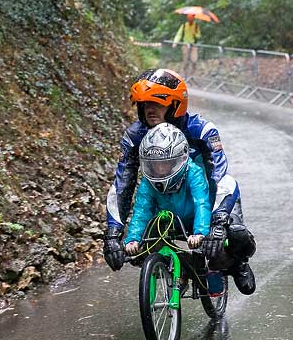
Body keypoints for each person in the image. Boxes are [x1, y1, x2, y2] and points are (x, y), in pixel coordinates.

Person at [103, 68, 257, 295]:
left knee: (234, 234)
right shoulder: (135, 136)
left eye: (156, 103)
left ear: (176, 105)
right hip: (164, 204)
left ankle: (238, 263)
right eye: (144, 104)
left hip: (207, 200)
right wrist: (112, 235)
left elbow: (220, 175)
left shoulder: (202, 130)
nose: (149, 109)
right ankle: (179, 268)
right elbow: (123, 183)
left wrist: (217, 222)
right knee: (136, 249)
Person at [123, 122, 210, 263]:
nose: (160, 169)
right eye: (155, 164)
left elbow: (201, 203)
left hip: (195, 220)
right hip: (167, 223)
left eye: (165, 163)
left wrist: (200, 232)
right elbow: (141, 210)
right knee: (145, 250)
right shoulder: (148, 181)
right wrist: (133, 239)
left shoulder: (193, 172)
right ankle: (175, 265)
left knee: (213, 255)